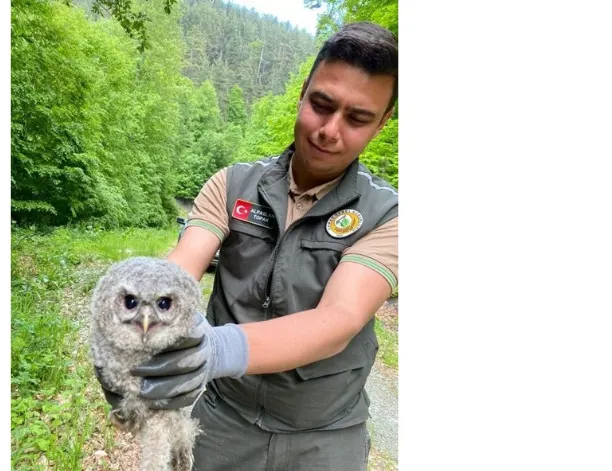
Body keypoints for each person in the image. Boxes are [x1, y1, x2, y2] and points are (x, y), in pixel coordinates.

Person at [96, 21, 398, 470]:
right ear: (302, 93)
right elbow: (179, 271)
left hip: (326, 437)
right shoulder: (232, 185)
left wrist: (215, 350)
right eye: (321, 105)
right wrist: (135, 332)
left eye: (357, 119)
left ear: (382, 123)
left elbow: (339, 319)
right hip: (223, 423)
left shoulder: (388, 214)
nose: (330, 130)